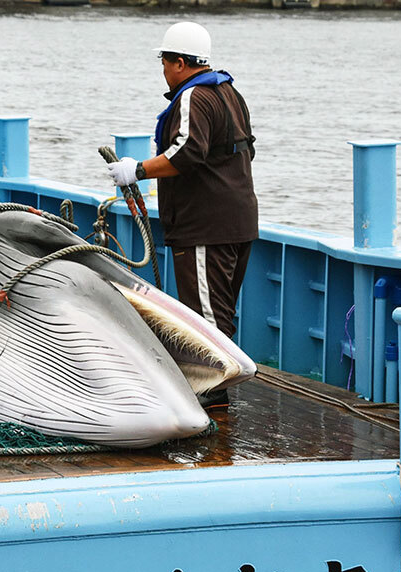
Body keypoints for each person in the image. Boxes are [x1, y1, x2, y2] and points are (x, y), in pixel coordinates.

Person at [107, 21, 257, 410]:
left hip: (205, 225)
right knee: (221, 307)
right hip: (238, 220)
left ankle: (213, 390)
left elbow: (187, 152)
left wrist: (136, 170)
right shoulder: (230, 93)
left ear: (178, 62)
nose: (163, 70)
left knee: (206, 311)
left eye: (164, 62)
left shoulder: (195, 97)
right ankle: (216, 387)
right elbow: (246, 150)